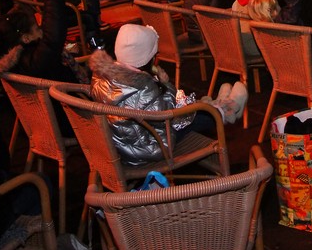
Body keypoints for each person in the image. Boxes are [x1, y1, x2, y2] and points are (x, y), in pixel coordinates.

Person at [89, 23, 248, 166]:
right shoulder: (143, 87)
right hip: (150, 148)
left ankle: (216, 104)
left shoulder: (101, 78)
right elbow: (169, 115)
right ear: (147, 59)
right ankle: (224, 111)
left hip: (122, 145)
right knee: (194, 117)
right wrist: (165, 83)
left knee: (189, 108)